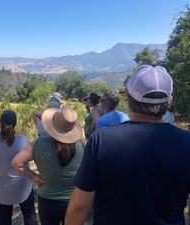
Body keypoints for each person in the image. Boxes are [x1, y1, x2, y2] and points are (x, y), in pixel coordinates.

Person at [65, 65, 190, 225]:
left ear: (128, 96)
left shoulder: (101, 140)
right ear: (169, 100)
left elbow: (80, 206)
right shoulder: (186, 143)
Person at [12, 105, 86, 225]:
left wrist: (34, 177)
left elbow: (16, 163)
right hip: (75, 200)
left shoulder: (38, 143)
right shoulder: (84, 144)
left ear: (52, 125)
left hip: (48, 201)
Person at [0, 110, 37, 225]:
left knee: (4, 217)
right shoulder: (23, 141)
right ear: (15, 124)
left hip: (0, 187)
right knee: (29, 215)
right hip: (22, 186)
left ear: (0, 123)